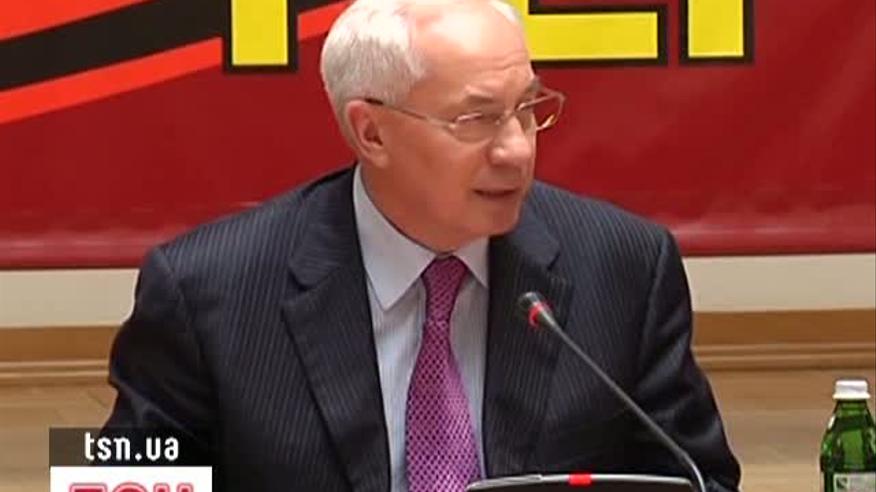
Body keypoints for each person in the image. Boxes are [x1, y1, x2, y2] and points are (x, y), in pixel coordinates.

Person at [103, 0, 741, 490]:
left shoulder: (625, 266)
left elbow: (700, 479)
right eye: (477, 119)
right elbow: (113, 479)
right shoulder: (204, 291)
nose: (516, 149)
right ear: (371, 132)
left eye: (527, 109)